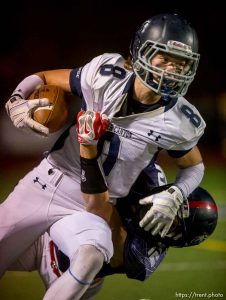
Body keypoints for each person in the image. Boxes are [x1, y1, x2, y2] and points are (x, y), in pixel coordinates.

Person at [2, 13, 205, 298]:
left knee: (92, 257)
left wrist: (177, 192)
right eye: (166, 58)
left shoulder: (180, 120)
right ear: (140, 53)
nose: (174, 69)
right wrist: (17, 97)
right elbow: (46, 77)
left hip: (90, 207)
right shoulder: (106, 73)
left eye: (182, 62)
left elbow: (194, 167)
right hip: (46, 183)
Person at [8, 183, 218, 299]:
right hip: (49, 235)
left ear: (179, 240)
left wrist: (88, 146)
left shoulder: (144, 255)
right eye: (172, 205)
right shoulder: (152, 179)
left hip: (67, 274)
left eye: (172, 222)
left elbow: (98, 208)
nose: (163, 213)